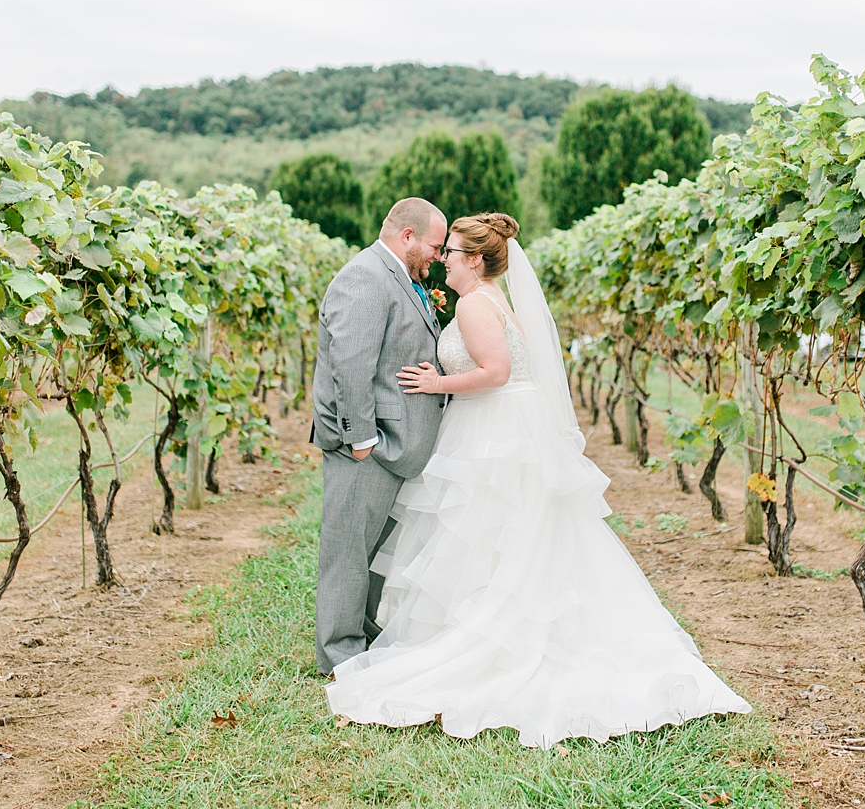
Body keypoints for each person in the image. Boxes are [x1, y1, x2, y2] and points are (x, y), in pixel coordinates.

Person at [326, 212, 750, 748]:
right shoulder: (491, 299)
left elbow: (496, 371)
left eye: (451, 253)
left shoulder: (477, 303)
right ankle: (492, 626)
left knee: (491, 533)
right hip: (505, 424)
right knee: (511, 537)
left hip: (495, 429)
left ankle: (489, 639)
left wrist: (438, 381)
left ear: (474, 261)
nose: (443, 261)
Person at [310, 197, 449, 676]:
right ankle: (339, 656)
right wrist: (361, 440)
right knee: (348, 551)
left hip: (396, 444)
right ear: (407, 236)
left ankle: (361, 637)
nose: (439, 254)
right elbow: (351, 364)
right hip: (369, 445)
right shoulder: (365, 276)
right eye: (435, 245)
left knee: (371, 553)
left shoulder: (400, 277)